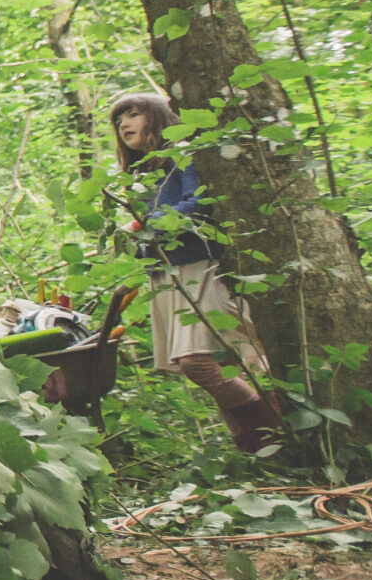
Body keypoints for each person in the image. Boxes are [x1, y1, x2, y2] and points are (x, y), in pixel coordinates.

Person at [108, 90, 284, 455]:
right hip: (165, 276)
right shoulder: (140, 173)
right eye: (119, 118)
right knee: (216, 364)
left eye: (134, 113)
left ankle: (273, 426)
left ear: (156, 117)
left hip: (197, 265)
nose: (124, 122)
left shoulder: (181, 153)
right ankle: (258, 446)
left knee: (197, 362)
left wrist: (147, 224)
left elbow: (201, 202)